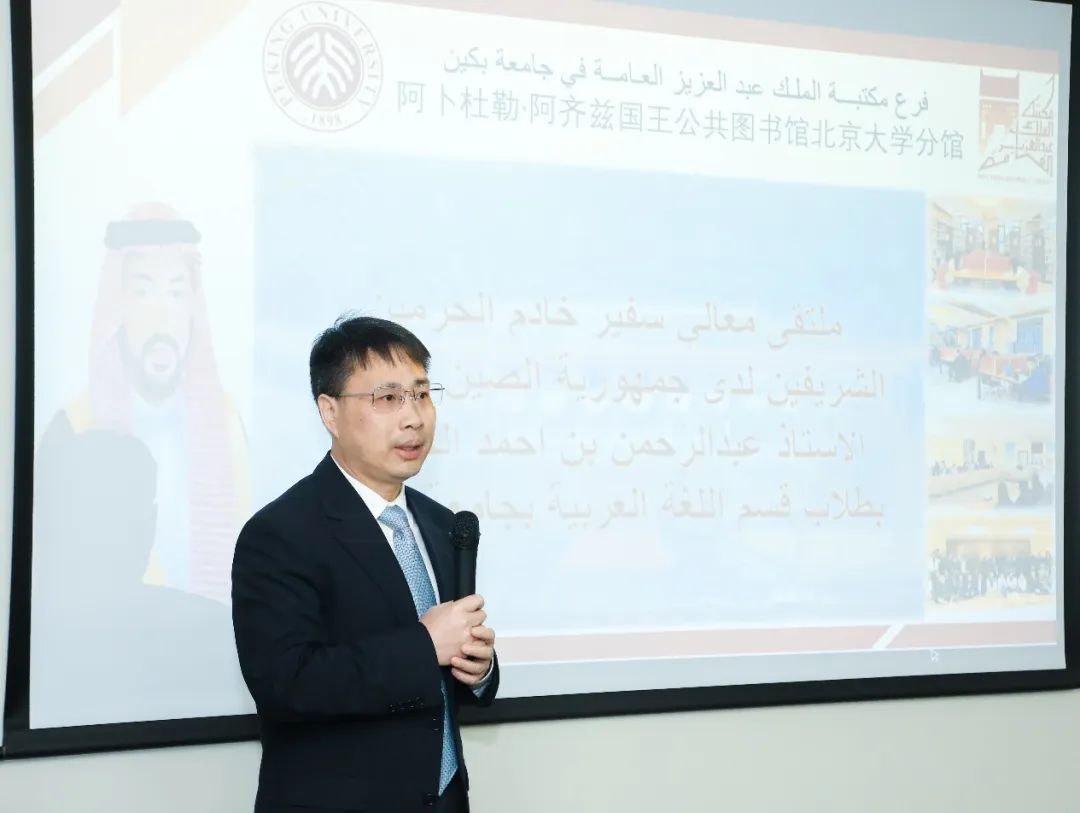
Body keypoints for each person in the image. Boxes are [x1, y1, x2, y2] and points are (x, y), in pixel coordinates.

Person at [232, 316, 498, 813]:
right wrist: (425, 646)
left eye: (422, 394)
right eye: (388, 398)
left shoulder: (442, 524)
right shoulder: (280, 534)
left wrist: (478, 670)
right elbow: (287, 685)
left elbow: (441, 683)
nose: (413, 418)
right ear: (330, 412)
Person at [38, 202, 249, 604]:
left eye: (176, 293)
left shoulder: (226, 425)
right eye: (143, 292)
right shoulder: (73, 428)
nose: (162, 315)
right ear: (117, 308)